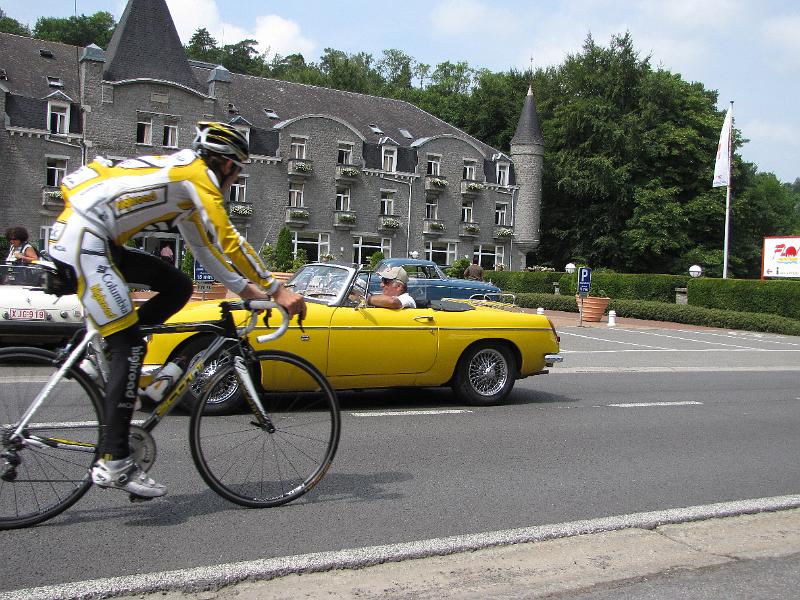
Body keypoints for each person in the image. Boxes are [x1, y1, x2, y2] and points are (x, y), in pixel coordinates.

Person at [48, 121, 306, 499]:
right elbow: (228, 239)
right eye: (238, 171)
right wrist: (276, 289)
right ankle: (114, 461)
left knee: (178, 286)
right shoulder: (196, 176)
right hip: (86, 241)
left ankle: (94, 350)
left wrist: (248, 292)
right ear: (226, 165)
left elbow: (205, 250)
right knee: (130, 346)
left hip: (95, 237)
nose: (236, 179)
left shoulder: (185, 183)